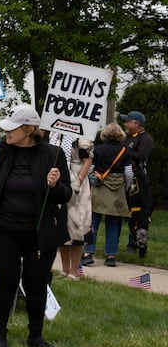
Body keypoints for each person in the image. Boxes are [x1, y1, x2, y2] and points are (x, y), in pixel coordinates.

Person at [0, 104, 71, 347]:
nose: (6, 132)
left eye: (12, 128)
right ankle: (0, 337)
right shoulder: (1, 151)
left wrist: (54, 185)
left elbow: (65, 194)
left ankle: (35, 336)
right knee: (5, 282)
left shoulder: (52, 155)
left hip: (39, 234)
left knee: (36, 283)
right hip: (4, 231)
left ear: (29, 129)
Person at [82, 123, 131, 268]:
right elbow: (128, 173)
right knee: (112, 225)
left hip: (99, 188)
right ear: (120, 135)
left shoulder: (98, 149)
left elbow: (90, 168)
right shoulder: (125, 151)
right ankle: (111, 256)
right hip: (117, 190)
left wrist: (89, 184)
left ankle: (88, 254)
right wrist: (124, 188)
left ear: (105, 134)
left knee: (93, 223)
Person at [50, 134, 93, 280]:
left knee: (76, 226)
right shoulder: (55, 134)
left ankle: (74, 271)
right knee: (61, 224)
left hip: (76, 179)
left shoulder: (81, 137)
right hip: (60, 177)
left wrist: (79, 180)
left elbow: (88, 160)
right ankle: (65, 269)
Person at [120, 111, 154, 257]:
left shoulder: (146, 139)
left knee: (140, 212)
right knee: (129, 212)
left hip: (138, 179)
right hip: (124, 177)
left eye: (128, 121)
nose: (125, 124)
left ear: (137, 123)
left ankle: (140, 246)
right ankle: (131, 243)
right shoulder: (126, 138)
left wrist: (125, 150)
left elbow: (141, 156)